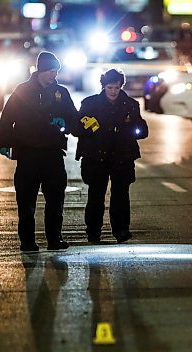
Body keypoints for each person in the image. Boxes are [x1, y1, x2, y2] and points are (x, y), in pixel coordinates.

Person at [0, 51, 78, 253]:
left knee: (55, 200)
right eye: (52, 71)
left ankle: (54, 239)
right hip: (28, 154)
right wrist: (5, 143)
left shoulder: (61, 93)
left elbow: (73, 119)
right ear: (41, 70)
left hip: (53, 153)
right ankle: (27, 242)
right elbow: (7, 118)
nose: (54, 75)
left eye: (56, 71)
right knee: (26, 201)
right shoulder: (22, 91)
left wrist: (67, 126)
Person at [76, 68, 148, 243]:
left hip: (122, 157)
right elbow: (76, 128)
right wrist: (88, 127)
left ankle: (121, 230)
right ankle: (93, 232)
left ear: (121, 86)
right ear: (103, 87)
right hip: (96, 157)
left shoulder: (130, 104)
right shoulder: (90, 104)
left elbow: (142, 130)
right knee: (96, 196)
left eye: (116, 88)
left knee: (121, 196)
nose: (113, 92)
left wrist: (132, 130)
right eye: (110, 88)